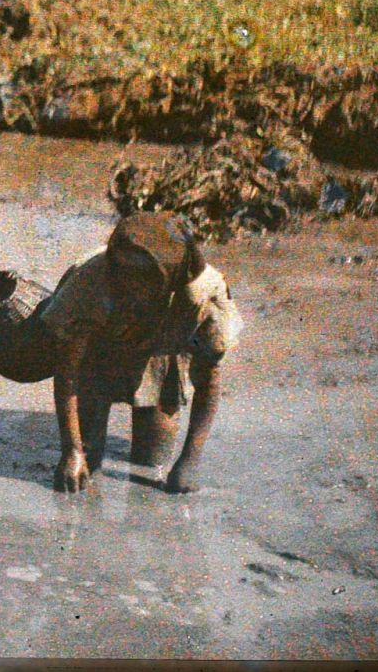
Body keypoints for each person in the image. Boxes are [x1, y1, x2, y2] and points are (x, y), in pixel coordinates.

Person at [37, 212, 243, 495]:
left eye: (143, 277)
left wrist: (190, 460)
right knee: (86, 465)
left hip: (161, 354)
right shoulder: (90, 281)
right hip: (99, 354)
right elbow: (67, 369)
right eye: (123, 272)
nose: (130, 283)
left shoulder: (201, 295)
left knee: (151, 463)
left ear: (169, 278)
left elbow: (208, 381)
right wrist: (71, 451)